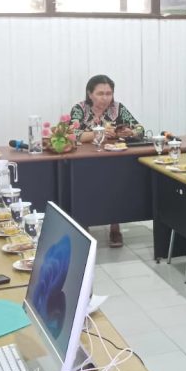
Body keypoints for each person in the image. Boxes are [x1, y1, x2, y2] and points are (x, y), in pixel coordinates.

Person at [71, 75, 140, 247]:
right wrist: (98, 133)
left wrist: (128, 133)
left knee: (115, 185)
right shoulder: (80, 109)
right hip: (85, 160)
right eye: (100, 93)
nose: (105, 98)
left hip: (112, 158)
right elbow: (73, 134)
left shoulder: (117, 108)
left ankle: (115, 227)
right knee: (85, 188)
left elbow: (139, 128)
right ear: (90, 93)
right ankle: (84, 223)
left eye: (109, 93)